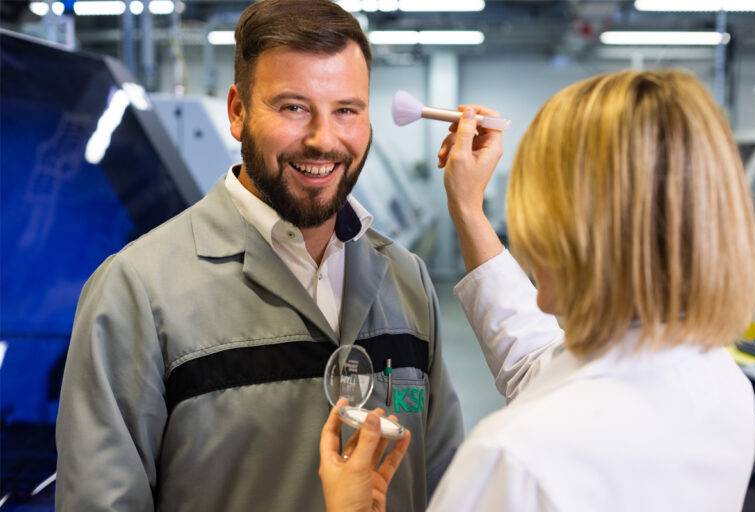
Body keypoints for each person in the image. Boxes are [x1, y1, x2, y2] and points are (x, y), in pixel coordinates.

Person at [55, 1, 464, 510]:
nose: (323, 139)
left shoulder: (406, 281)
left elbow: (446, 483)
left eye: (346, 110)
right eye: (293, 107)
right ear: (237, 111)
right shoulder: (138, 293)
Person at [318, 70, 755, 511]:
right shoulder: (722, 384)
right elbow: (542, 364)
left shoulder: (513, 460)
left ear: (574, 230)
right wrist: (467, 207)